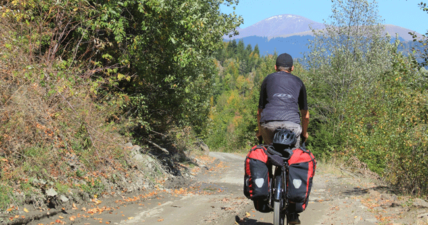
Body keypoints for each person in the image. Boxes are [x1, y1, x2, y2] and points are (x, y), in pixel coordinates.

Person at [256, 53, 309, 224]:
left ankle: (264, 192)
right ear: (292, 68)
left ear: (275, 67)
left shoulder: (267, 79)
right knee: (292, 160)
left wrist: (259, 131)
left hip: (268, 124)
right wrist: (305, 133)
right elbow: (305, 115)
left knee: (268, 154)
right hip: (292, 126)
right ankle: (293, 213)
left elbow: (259, 111)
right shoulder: (298, 82)